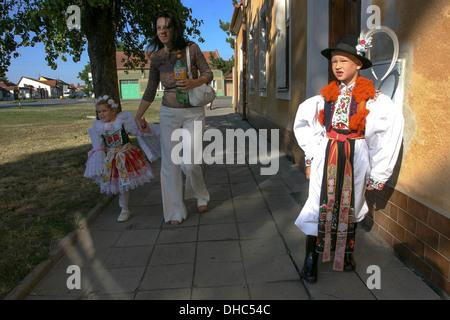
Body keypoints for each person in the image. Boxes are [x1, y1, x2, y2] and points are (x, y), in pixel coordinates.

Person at [293, 34, 404, 283]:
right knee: (318, 202)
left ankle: (346, 254)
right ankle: (310, 258)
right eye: (334, 62)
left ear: (359, 64)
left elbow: (386, 137)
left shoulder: (375, 100)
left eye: (344, 60)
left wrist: (378, 173)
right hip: (328, 153)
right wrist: (311, 157)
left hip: (357, 155)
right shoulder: (325, 97)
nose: (338, 66)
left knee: (351, 203)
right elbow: (305, 125)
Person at [135, 10, 212, 226]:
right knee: (170, 163)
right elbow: (150, 89)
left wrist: (194, 82)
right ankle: (175, 211)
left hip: (193, 112)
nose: (162, 31)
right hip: (168, 112)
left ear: (174, 28)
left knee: (191, 162)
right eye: (158, 27)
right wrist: (138, 116)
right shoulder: (157, 57)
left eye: (166, 27)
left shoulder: (191, 49)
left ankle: (201, 194)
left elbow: (209, 73)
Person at [84, 95, 160, 222]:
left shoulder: (122, 122)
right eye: (99, 112)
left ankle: (124, 209)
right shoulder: (98, 128)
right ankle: (123, 204)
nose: (101, 114)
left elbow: (136, 132)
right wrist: (98, 163)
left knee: (123, 184)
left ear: (113, 111)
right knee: (119, 184)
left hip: (126, 157)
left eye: (104, 111)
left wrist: (144, 130)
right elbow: (99, 147)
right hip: (111, 159)